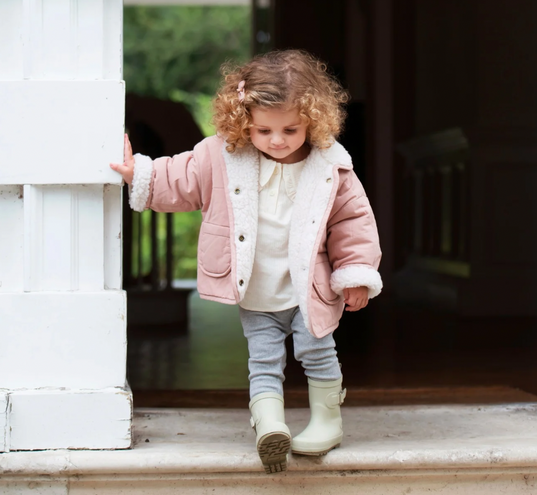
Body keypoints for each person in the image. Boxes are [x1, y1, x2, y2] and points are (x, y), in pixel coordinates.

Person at [111, 49, 382, 473]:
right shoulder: (221, 156)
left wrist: (356, 274)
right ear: (243, 121)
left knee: (317, 350)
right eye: (264, 130)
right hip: (255, 287)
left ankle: (327, 419)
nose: (277, 140)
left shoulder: (331, 166)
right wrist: (139, 173)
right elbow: (180, 178)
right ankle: (269, 425)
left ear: (314, 119)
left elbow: (352, 222)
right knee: (264, 357)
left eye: (291, 129)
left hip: (308, 285)